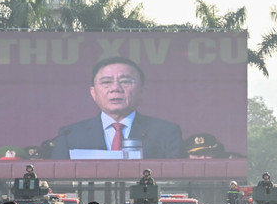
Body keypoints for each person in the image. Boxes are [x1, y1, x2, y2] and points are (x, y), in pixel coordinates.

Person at [51, 57, 185, 159]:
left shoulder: (166, 133)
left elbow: (178, 184)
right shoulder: (70, 136)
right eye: (106, 82)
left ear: (142, 91)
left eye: (125, 81)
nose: (115, 89)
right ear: (93, 93)